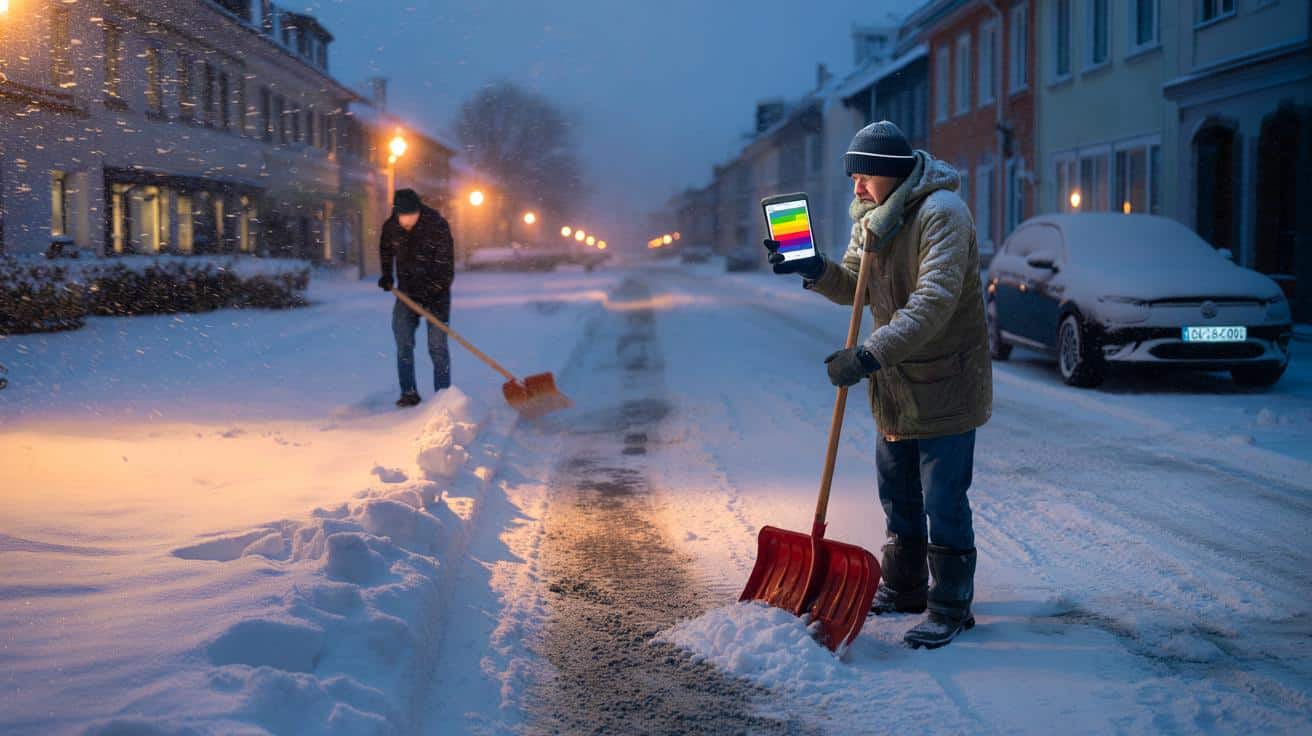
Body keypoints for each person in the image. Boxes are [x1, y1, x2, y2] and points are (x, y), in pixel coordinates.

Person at [763, 121, 992, 649]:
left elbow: (932, 303)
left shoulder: (942, 215)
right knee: (899, 493)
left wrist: (868, 353)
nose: (857, 189)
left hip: (945, 382)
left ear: (891, 174)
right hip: (894, 384)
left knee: (943, 498)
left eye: (865, 177)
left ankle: (952, 605)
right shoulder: (872, 218)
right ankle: (907, 586)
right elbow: (854, 285)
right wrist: (814, 267)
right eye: (854, 179)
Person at [378, 189, 455, 408]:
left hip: (437, 295)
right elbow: (385, 249)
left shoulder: (437, 226)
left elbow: (446, 265)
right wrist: (386, 275)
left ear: (419, 211)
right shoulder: (391, 226)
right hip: (406, 293)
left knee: (437, 345)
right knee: (403, 342)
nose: (406, 221)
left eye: (411, 216)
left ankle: (443, 397)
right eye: (403, 216)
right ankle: (409, 392)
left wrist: (434, 290)